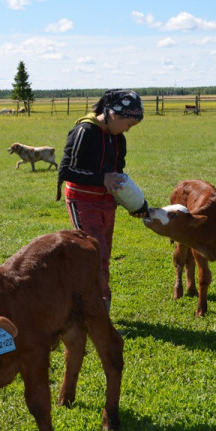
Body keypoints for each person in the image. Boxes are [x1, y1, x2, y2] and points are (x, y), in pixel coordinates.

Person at [56, 89, 146, 314]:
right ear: (112, 114)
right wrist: (101, 178)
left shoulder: (118, 139)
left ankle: (96, 312)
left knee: (102, 255)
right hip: (83, 201)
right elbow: (66, 170)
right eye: (128, 124)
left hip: (107, 204)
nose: (128, 129)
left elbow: (118, 174)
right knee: (96, 257)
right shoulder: (84, 131)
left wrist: (134, 204)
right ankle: (94, 315)